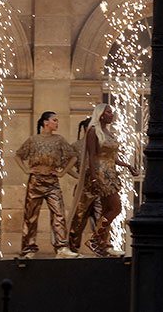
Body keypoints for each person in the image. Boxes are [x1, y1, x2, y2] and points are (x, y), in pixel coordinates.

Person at [68, 104, 138, 257]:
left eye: (111, 112)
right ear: (100, 114)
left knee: (107, 210)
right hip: (101, 173)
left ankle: (102, 244)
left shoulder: (108, 133)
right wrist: (94, 178)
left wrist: (127, 165)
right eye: (108, 112)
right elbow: (92, 156)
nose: (111, 115)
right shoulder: (93, 131)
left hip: (111, 172)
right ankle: (95, 240)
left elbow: (112, 157)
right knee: (116, 207)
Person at [15, 111, 80, 259]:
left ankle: (62, 247)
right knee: (31, 215)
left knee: (59, 214)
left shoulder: (59, 140)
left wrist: (62, 172)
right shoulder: (33, 140)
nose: (57, 123)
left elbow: (73, 157)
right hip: (36, 181)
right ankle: (28, 248)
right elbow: (18, 155)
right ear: (45, 122)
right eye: (54, 120)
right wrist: (26, 170)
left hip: (52, 181)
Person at [67, 117, 103, 253]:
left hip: (99, 186)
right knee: (79, 219)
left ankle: (101, 246)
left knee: (102, 218)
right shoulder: (76, 146)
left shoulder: (100, 145)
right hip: (83, 188)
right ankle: (73, 247)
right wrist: (79, 177)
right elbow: (66, 165)